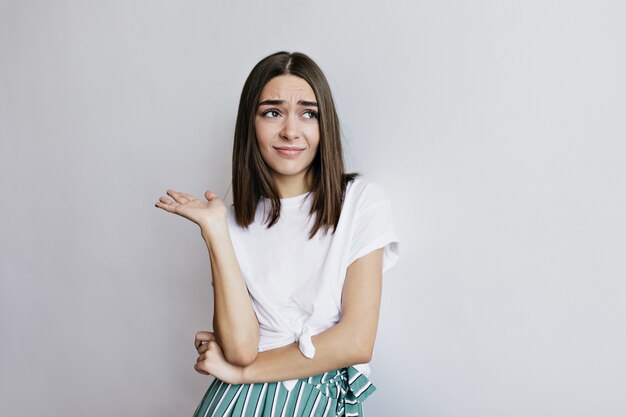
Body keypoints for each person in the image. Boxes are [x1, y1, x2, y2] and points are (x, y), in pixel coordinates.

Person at [155, 51, 399, 417]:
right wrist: (216, 232)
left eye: (308, 113)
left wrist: (243, 373)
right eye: (272, 112)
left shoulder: (361, 201)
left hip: (309, 400)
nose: (290, 130)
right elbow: (239, 349)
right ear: (250, 124)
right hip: (234, 405)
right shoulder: (233, 221)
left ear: (324, 124)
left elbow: (356, 342)